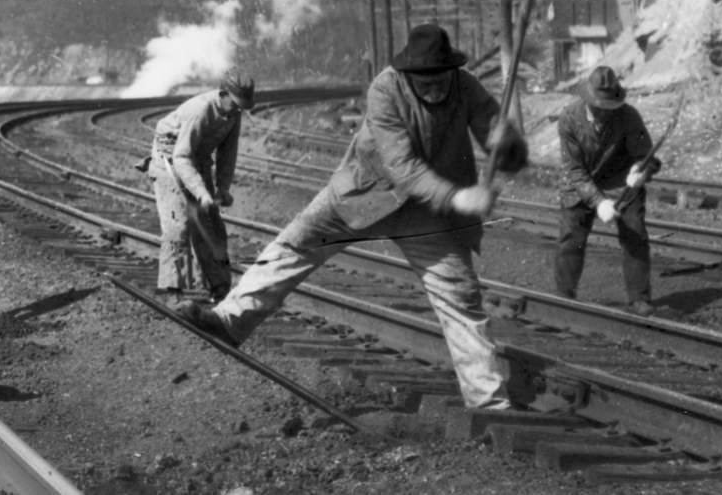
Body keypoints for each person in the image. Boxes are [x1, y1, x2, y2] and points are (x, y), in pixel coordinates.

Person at [175, 25, 529, 410]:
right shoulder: (385, 89)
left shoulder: (466, 84)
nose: (434, 90)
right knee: (293, 245)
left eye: (440, 80)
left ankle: (489, 402)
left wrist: (505, 143)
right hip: (364, 194)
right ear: (408, 74)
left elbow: (495, 130)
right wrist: (460, 197)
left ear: (451, 71)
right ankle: (229, 321)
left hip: (428, 215)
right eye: (424, 82)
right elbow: (402, 166)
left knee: (460, 296)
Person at [550, 66, 666, 316]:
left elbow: (646, 156)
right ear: (588, 100)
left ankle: (639, 299)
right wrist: (599, 202)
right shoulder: (569, 117)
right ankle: (564, 297)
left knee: (635, 236)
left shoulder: (629, 116)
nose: (604, 112)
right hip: (579, 182)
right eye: (599, 106)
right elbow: (574, 169)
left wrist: (641, 170)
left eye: (608, 107)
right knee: (572, 238)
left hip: (621, 180)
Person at [146, 73, 250, 306]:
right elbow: (181, 156)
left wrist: (222, 188)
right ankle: (172, 291)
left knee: (212, 226)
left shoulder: (234, 113)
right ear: (223, 94)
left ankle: (220, 289)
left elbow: (227, 152)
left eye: (241, 106)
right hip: (169, 157)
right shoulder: (201, 110)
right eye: (234, 103)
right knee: (179, 225)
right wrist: (202, 192)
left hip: (197, 159)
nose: (237, 109)